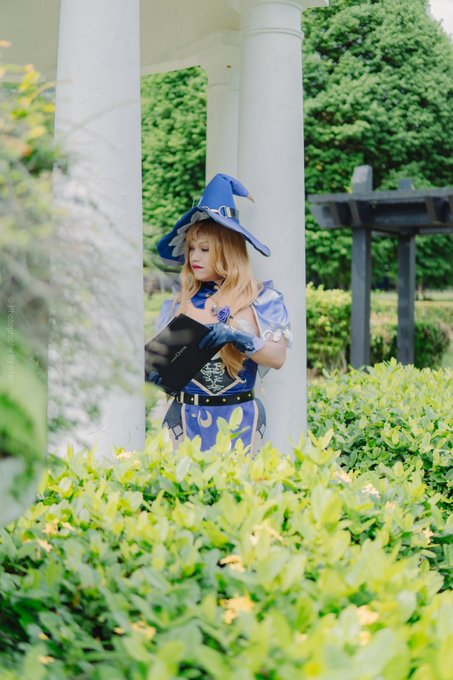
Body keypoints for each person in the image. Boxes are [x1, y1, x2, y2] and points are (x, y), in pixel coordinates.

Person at [146, 173, 292, 454]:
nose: (194, 257)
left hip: (241, 421)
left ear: (228, 252)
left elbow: (277, 358)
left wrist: (239, 338)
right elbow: (162, 366)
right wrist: (157, 377)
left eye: (204, 249)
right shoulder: (178, 303)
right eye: (191, 248)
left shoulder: (263, 300)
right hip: (184, 421)